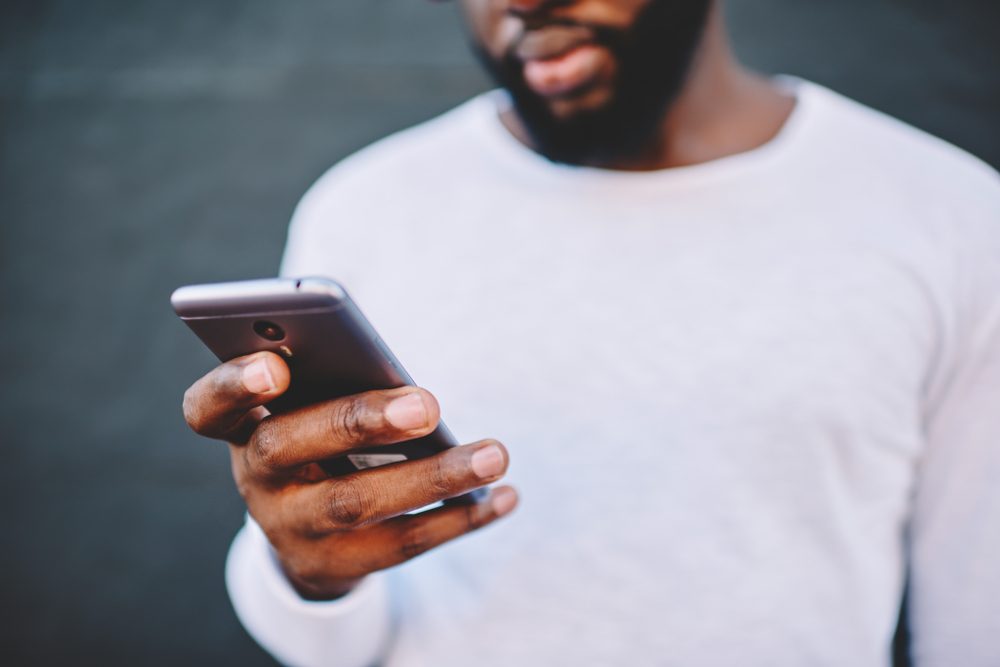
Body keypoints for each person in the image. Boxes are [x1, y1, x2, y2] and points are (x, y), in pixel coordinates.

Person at [182, 1, 1000, 665]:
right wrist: (306, 573)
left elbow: (977, 624)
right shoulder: (367, 208)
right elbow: (330, 643)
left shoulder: (947, 218)